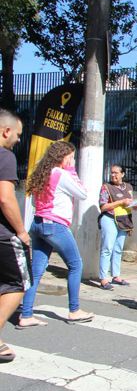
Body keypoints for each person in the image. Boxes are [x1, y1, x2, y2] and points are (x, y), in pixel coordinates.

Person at [20, 141, 95, 327]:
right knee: (76, 264)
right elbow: (82, 193)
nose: (73, 160)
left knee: (35, 272)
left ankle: (26, 314)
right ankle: (74, 310)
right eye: (71, 157)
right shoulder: (61, 174)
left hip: (38, 224)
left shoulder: (42, 172)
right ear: (62, 157)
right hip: (55, 225)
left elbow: (37, 204)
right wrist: (72, 171)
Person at [0, 109, 30, 363]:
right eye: (18, 135)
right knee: (18, 284)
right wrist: (21, 231)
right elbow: (5, 197)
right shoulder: (5, 156)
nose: (19, 140)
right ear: (5, 131)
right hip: (2, 235)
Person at [98, 164, 137, 290]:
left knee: (118, 249)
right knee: (107, 248)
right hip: (109, 219)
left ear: (122, 174)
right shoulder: (106, 187)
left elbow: (131, 204)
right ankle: (103, 278)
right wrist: (120, 202)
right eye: (112, 172)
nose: (113, 175)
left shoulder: (128, 187)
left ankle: (116, 276)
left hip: (124, 220)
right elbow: (103, 207)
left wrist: (135, 205)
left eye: (116, 173)